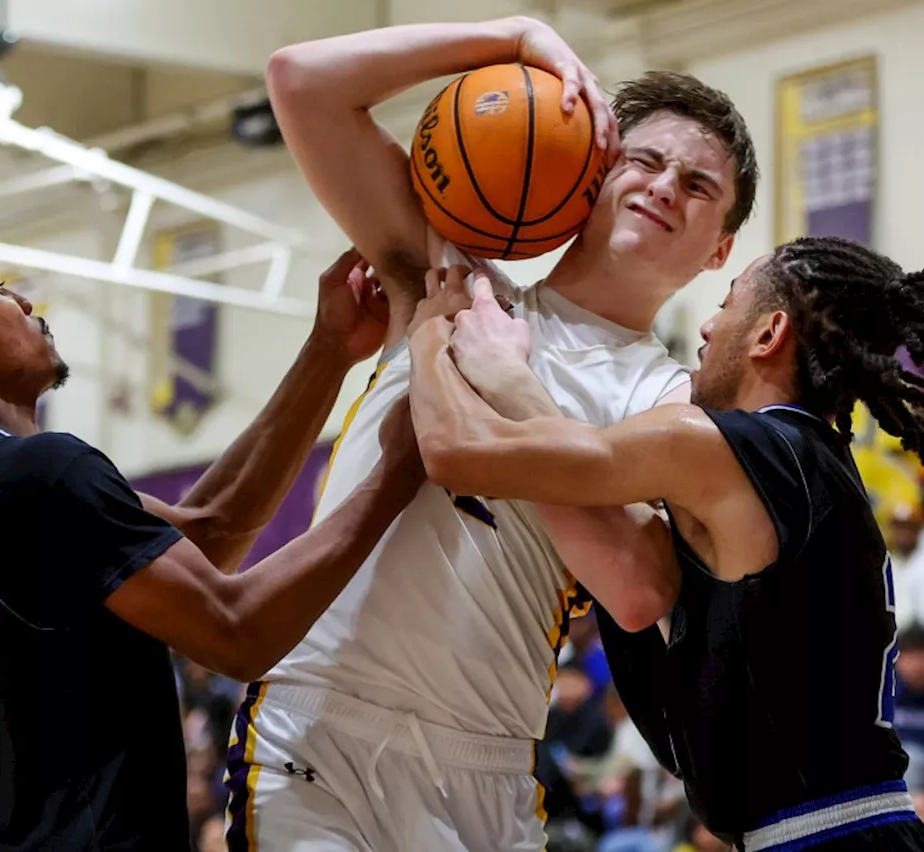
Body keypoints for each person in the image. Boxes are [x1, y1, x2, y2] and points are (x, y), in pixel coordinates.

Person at [229, 15, 759, 850]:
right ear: (594, 174)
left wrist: (513, 392)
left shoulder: (676, 406)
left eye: (698, 186)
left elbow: (637, 588)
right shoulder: (449, 267)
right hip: (322, 721)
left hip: (485, 757)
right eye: (645, 161)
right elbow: (301, 81)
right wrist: (515, 40)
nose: (664, 187)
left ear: (719, 250)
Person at [0, 185, 425, 850]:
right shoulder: (33, 477)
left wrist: (327, 349)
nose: (24, 303)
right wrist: (398, 471)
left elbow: (205, 532)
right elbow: (238, 630)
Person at [407, 236, 924, 849]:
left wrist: (431, 336)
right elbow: (609, 520)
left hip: (829, 836)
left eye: (726, 304)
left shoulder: (737, 448)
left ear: (768, 334)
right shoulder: (796, 469)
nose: (705, 327)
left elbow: (457, 453)